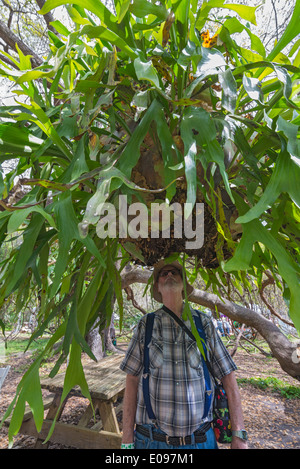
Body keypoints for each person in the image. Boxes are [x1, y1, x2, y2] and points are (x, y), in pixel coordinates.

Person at [120, 259, 248, 449]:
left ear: (183, 285)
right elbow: (132, 381)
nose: (169, 275)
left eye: (175, 273)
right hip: (152, 442)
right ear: (158, 287)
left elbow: (229, 378)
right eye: (164, 273)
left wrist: (239, 434)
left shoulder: (203, 324)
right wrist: (127, 441)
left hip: (200, 441)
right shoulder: (145, 325)